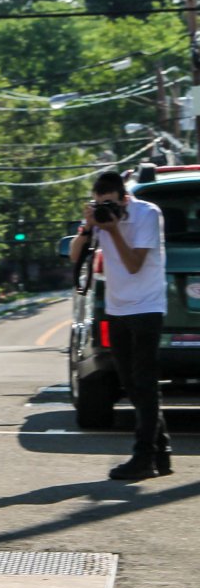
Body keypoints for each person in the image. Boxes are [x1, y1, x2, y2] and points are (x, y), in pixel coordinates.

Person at [71, 170, 170, 480]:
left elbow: (133, 264)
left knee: (144, 381)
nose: (106, 209)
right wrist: (89, 226)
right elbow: (75, 257)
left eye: (111, 203)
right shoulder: (100, 221)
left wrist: (112, 230)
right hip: (117, 309)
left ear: (125, 198)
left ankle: (144, 458)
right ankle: (162, 451)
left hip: (147, 308)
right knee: (130, 384)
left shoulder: (146, 214)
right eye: (100, 203)